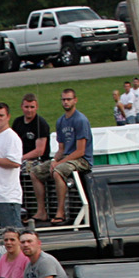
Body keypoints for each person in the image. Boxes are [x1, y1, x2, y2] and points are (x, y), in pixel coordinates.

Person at [42, 88, 91, 223]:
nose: (66, 102)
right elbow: (61, 148)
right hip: (66, 158)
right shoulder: (60, 121)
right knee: (35, 171)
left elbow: (81, 151)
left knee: (58, 171)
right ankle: (41, 211)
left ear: (75, 100)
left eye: (68, 99)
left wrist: (59, 163)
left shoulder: (80, 120)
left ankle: (61, 212)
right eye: (63, 99)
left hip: (82, 160)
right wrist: (54, 160)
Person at [14, 94, 51, 219]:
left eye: (32, 107)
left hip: (38, 161)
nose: (29, 110)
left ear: (37, 107)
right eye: (26, 107)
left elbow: (39, 151)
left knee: (17, 169)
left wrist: (20, 158)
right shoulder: (17, 122)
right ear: (21, 107)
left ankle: (40, 210)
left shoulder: (41, 124)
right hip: (20, 159)